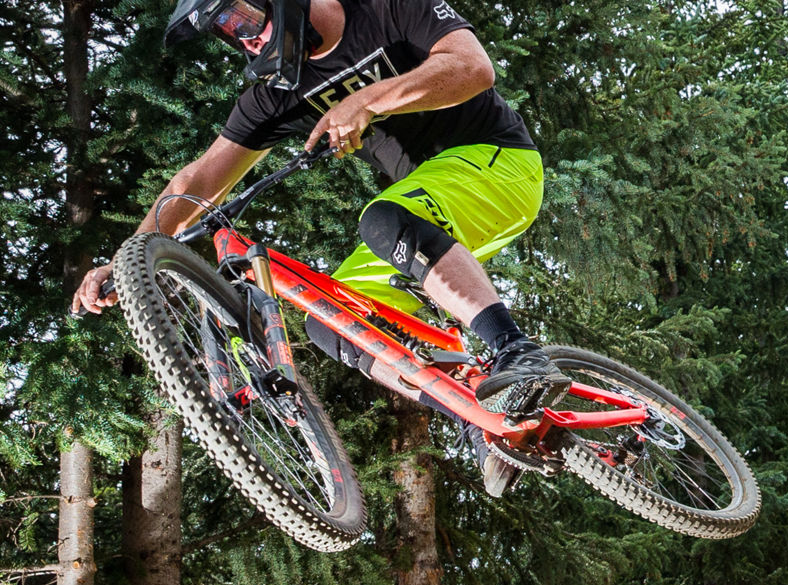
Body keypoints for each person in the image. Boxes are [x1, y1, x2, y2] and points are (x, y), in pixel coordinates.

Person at [71, 0, 562, 492]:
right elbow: (198, 180)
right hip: (429, 209)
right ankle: (475, 414)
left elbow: (472, 68)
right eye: (227, 34)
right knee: (334, 323)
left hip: (499, 162)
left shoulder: (386, 9)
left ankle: (515, 350)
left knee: (385, 218)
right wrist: (127, 260)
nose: (245, 40)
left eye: (242, 20)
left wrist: (368, 100)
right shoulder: (277, 94)